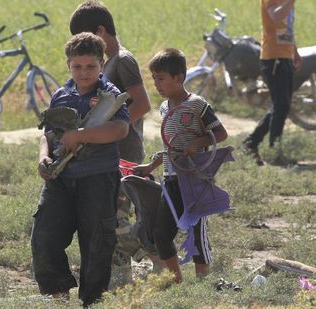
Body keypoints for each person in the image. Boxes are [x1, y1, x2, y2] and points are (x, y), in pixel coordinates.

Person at [31, 32, 129, 307]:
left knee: (96, 245)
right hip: (60, 180)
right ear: (68, 65)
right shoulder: (62, 95)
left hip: (98, 180)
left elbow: (120, 129)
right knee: (44, 237)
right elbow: (48, 135)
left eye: (91, 66)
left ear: (101, 65)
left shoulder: (108, 96)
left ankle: (92, 302)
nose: (84, 72)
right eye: (78, 66)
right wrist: (43, 158)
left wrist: (81, 135)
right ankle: (59, 294)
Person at [69, 0, 151, 287]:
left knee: (116, 222)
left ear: (102, 32)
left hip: (124, 153)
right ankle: (118, 281)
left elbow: (142, 103)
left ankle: (151, 251)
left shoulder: (123, 61)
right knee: (109, 220)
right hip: (108, 154)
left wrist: (113, 131)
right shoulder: (107, 63)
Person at [134, 48, 228, 283]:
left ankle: (202, 283)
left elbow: (221, 133)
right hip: (171, 179)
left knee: (197, 235)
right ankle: (178, 283)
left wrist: (199, 141)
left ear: (179, 77)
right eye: (154, 78)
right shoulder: (165, 108)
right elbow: (169, 147)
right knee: (161, 234)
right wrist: (150, 166)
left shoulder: (197, 105)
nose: (156, 84)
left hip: (195, 180)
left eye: (161, 78)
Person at [242, 0, 301, 165]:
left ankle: (251, 143)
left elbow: (286, 27)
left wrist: (294, 51)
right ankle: (274, 153)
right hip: (273, 58)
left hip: (285, 57)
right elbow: (275, 17)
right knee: (281, 106)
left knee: (281, 105)